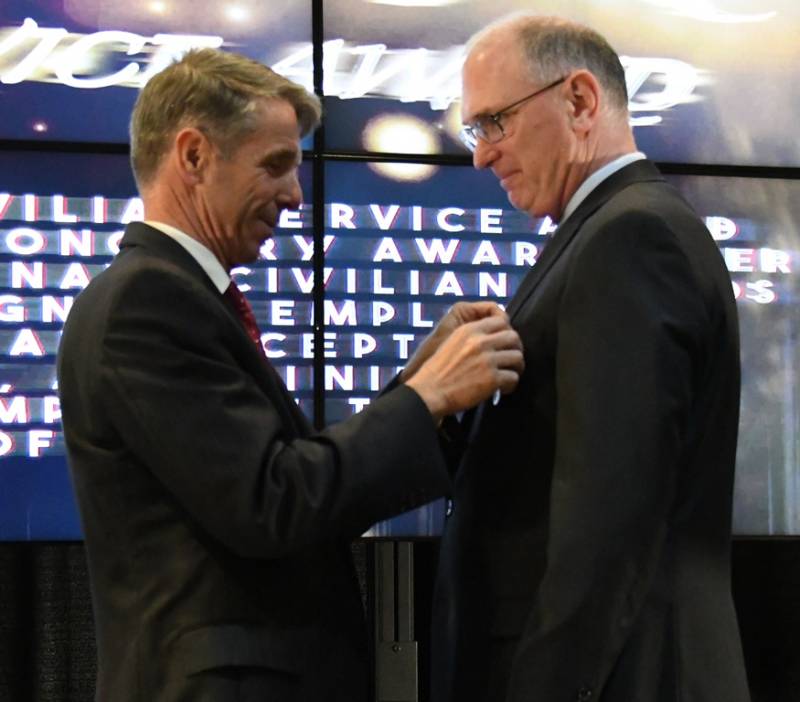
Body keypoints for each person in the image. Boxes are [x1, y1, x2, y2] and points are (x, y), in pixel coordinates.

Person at [56, 48, 523, 702]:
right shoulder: (145, 302)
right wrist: (424, 397)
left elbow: (291, 475)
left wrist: (421, 389)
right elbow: (274, 504)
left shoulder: (178, 293)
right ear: (192, 156)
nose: (295, 195)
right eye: (275, 165)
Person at [424, 13, 751, 702]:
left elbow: (605, 529)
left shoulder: (629, 238)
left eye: (495, 123)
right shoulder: (607, 231)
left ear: (579, 101)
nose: (481, 155)